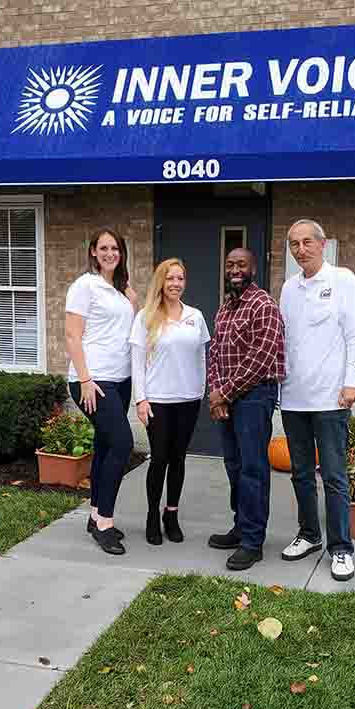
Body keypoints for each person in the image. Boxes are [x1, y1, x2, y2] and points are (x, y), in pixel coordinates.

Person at [279, 218, 355, 581]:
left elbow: (354, 337)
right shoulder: (287, 289)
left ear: (322, 244)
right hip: (294, 399)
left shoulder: (342, 280)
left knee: (333, 476)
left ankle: (342, 548)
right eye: (294, 244)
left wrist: (352, 384)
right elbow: (284, 343)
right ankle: (309, 535)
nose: (301, 249)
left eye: (306, 242)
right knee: (300, 474)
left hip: (332, 400)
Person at [207, 247, 285, 571]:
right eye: (230, 265)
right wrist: (216, 392)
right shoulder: (225, 309)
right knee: (234, 465)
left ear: (253, 269)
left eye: (241, 264)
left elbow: (260, 359)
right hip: (228, 397)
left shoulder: (263, 305)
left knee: (253, 468)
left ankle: (253, 541)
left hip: (254, 397)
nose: (235, 269)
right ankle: (241, 526)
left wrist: (223, 392)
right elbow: (214, 354)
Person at [65, 227, 137, 556]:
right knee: (122, 443)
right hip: (94, 381)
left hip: (120, 380)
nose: (110, 253)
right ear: (93, 252)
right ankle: (105, 523)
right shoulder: (84, 285)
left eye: (115, 248)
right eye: (103, 248)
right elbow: (72, 336)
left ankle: (95, 515)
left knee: (107, 444)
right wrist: (84, 381)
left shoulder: (123, 292)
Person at [130, 258, 210, 545]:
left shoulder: (195, 316)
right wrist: (141, 400)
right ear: (160, 282)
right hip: (158, 401)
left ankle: (171, 514)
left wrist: (200, 393)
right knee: (160, 458)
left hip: (187, 400)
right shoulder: (145, 317)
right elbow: (137, 362)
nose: (176, 283)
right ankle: (152, 514)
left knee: (178, 459)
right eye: (170, 278)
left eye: (180, 278)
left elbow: (201, 358)